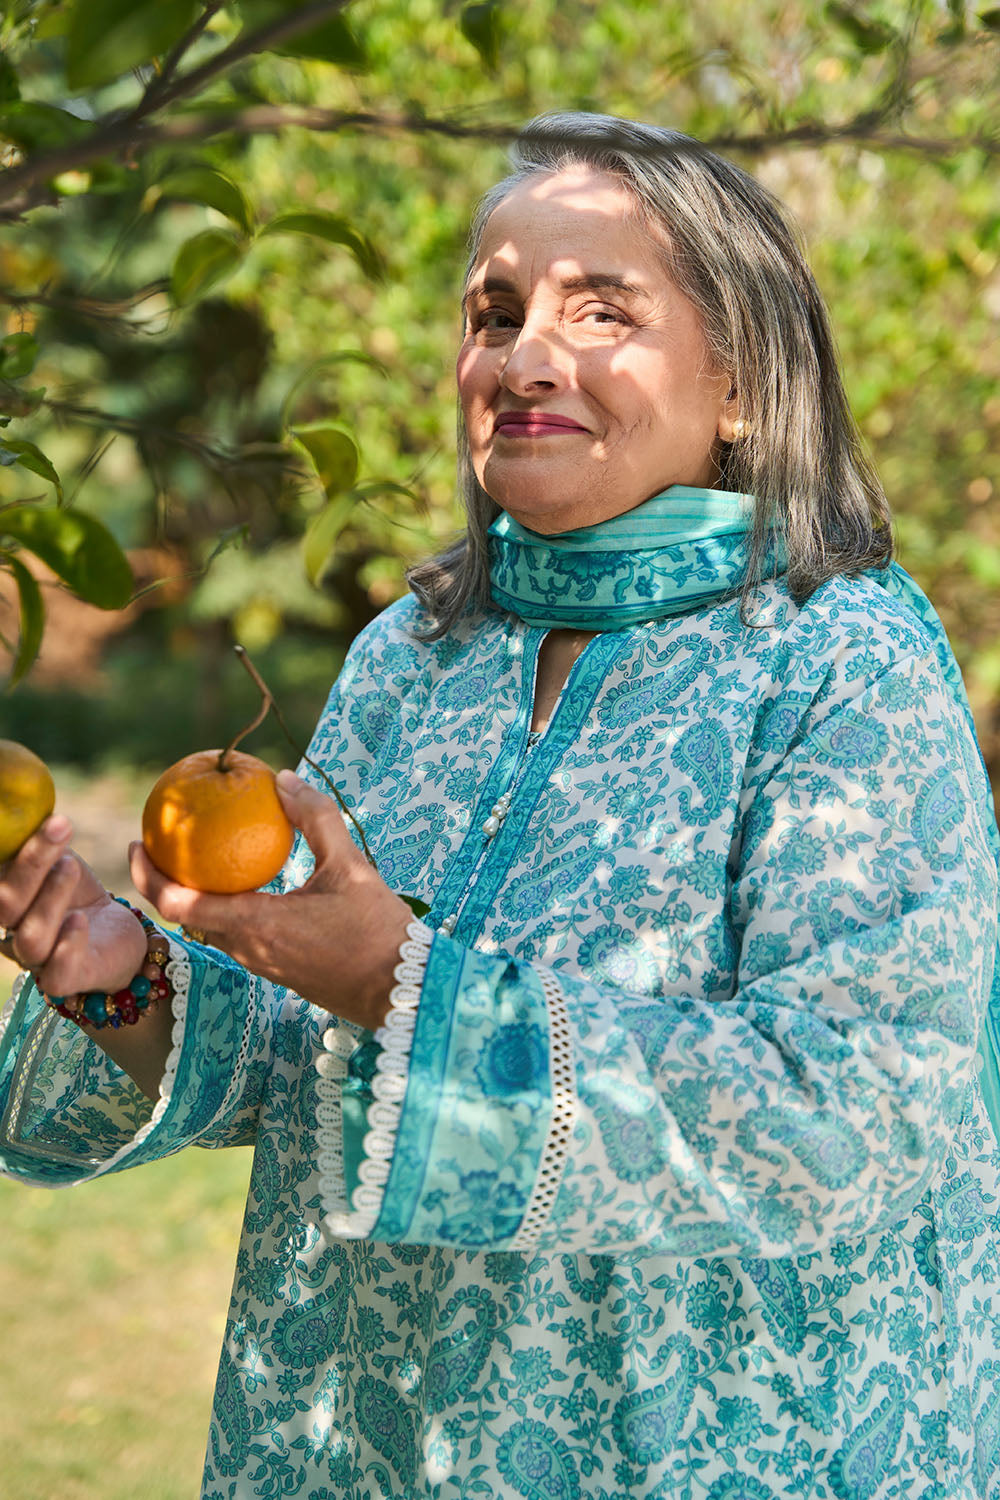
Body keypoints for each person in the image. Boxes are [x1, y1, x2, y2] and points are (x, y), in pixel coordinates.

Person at [2, 111, 999, 1500]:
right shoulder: (412, 661)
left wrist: (410, 985)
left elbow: (864, 1108)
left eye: (603, 310)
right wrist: (118, 974)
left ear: (741, 384)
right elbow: (314, 1057)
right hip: (363, 1442)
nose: (527, 356)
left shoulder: (842, 659)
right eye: (496, 311)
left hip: (712, 1451)